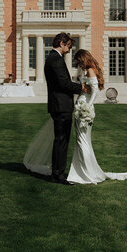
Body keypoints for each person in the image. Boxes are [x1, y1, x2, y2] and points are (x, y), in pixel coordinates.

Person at [23, 32, 85, 185]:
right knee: (61, 141)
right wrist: (82, 88)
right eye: (69, 46)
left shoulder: (54, 58)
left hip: (60, 105)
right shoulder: (55, 59)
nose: (70, 50)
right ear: (62, 43)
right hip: (61, 106)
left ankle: (57, 173)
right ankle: (58, 174)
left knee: (61, 140)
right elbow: (63, 83)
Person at [66, 49, 127, 184]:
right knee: (83, 140)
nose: (78, 65)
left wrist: (87, 107)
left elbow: (94, 92)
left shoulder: (90, 70)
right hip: (84, 106)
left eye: (78, 62)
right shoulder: (91, 69)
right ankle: (82, 171)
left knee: (82, 141)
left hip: (84, 108)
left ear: (83, 59)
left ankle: (87, 173)